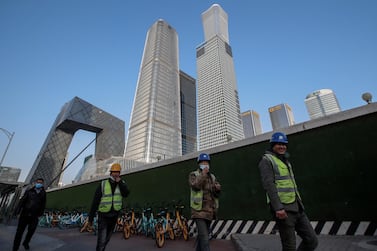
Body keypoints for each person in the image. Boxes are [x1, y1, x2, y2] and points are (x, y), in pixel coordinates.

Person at [258, 132, 318, 251]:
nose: (282, 147)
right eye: (279, 144)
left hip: (298, 207)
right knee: (289, 247)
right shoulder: (266, 160)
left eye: (284, 144)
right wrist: (278, 208)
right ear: (273, 145)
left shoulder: (285, 160)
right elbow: (269, 185)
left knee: (312, 241)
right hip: (284, 210)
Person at [88, 163, 130, 251]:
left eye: (117, 172)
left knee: (107, 239)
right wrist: (90, 219)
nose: (116, 174)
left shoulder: (122, 183)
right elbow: (95, 202)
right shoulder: (103, 184)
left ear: (119, 173)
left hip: (114, 216)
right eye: (114, 172)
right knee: (102, 240)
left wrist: (120, 183)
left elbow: (126, 194)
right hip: (103, 216)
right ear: (111, 173)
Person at [189, 153, 221, 251]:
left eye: (206, 162)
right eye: (203, 162)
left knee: (202, 238)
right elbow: (195, 186)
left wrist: (217, 188)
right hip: (198, 212)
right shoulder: (194, 174)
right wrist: (203, 174)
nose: (205, 164)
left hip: (209, 212)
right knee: (205, 239)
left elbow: (216, 194)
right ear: (199, 164)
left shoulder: (212, 177)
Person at [12, 178, 46, 251]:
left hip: (34, 216)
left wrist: (40, 214)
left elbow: (43, 205)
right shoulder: (29, 191)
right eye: (38, 182)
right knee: (19, 233)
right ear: (35, 183)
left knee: (31, 231)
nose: (39, 184)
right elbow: (22, 201)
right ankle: (15, 248)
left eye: (40, 183)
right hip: (25, 214)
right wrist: (17, 211)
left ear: (42, 184)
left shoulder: (43, 193)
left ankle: (26, 242)